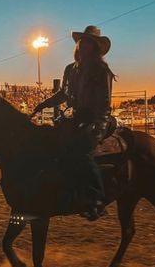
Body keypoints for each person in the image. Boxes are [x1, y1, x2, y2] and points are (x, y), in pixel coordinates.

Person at [32, 25, 115, 221]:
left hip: (96, 119)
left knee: (81, 150)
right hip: (76, 118)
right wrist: (42, 104)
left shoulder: (101, 70)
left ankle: (97, 199)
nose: (83, 45)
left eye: (88, 42)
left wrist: (97, 128)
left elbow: (104, 104)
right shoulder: (70, 69)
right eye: (81, 42)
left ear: (95, 47)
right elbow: (63, 94)